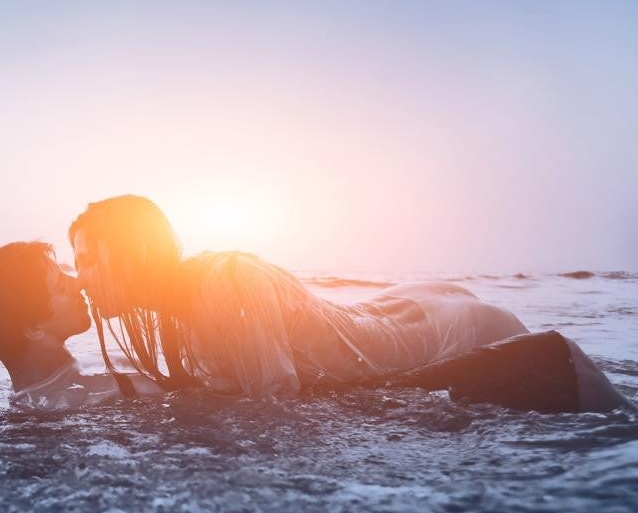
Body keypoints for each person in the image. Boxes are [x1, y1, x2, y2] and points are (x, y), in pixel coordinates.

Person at [69, 194, 632, 413]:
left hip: (457, 331)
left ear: (134, 251)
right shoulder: (179, 313)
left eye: (90, 259)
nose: (82, 277)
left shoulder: (224, 283)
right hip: (397, 316)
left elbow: (277, 409)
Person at [0, 241, 161, 410]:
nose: (78, 284)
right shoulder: (84, 397)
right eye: (62, 286)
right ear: (34, 328)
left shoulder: (58, 386)